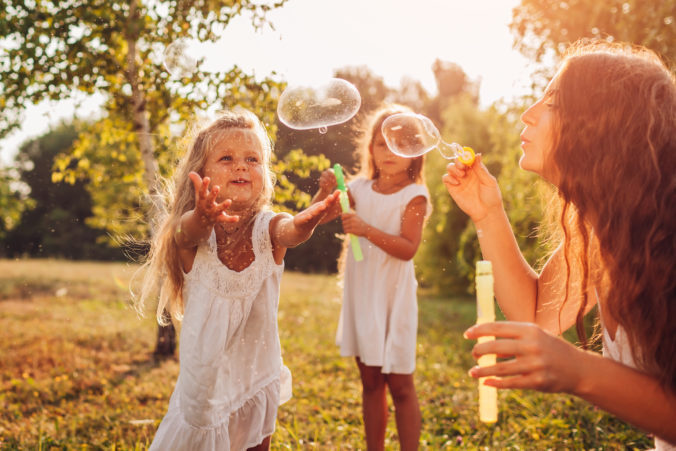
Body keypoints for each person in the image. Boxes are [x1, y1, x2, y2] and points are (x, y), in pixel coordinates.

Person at [444, 40, 676, 449]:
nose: (527, 114)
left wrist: (580, 371)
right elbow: (536, 316)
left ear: (603, 125)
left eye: (551, 102)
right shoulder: (605, 229)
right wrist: (488, 214)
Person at [135, 109, 339, 451]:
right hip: (206, 383)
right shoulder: (194, 231)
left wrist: (312, 217)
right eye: (226, 158)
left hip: (257, 372)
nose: (241, 166)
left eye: (252, 159)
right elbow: (186, 231)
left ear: (264, 172)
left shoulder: (267, 227)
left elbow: (292, 230)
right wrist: (203, 214)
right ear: (201, 173)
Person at [313, 104, 430, 450]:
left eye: (398, 144)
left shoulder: (415, 196)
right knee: (370, 381)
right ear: (370, 150)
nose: (389, 151)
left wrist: (365, 229)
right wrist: (324, 193)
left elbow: (408, 248)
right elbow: (317, 219)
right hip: (363, 294)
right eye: (381, 143)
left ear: (414, 153)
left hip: (393, 297)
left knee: (401, 383)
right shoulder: (358, 189)